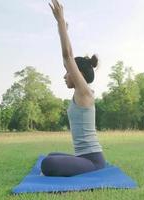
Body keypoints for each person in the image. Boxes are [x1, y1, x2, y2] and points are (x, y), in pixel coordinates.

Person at [40, 0, 106, 177]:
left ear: (79, 75)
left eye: (67, 72)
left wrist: (60, 21)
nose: (64, 75)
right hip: (84, 158)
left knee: (48, 163)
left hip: (93, 161)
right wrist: (64, 32)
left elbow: (68, 56)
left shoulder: (85, 93)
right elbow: (67, 59)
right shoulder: (81, 93)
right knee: (51, 156)